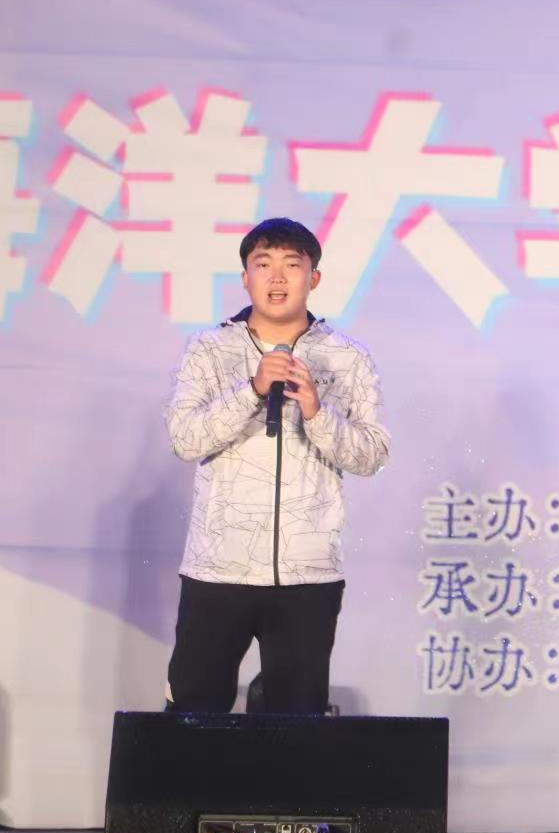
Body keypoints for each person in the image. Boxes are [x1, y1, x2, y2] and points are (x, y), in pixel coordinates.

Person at [162, 217, 390, 714]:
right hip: (218, 569)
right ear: (246, 278)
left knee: (295, 727)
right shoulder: (208, 350)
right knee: (192, 719)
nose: (278, 277)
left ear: (314, 277)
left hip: (308, 574)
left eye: (292, 264)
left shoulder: (347, 358)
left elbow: (372, 454)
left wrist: (317, 413)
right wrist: (252, 390)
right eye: (263, 265)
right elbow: (185, 439)